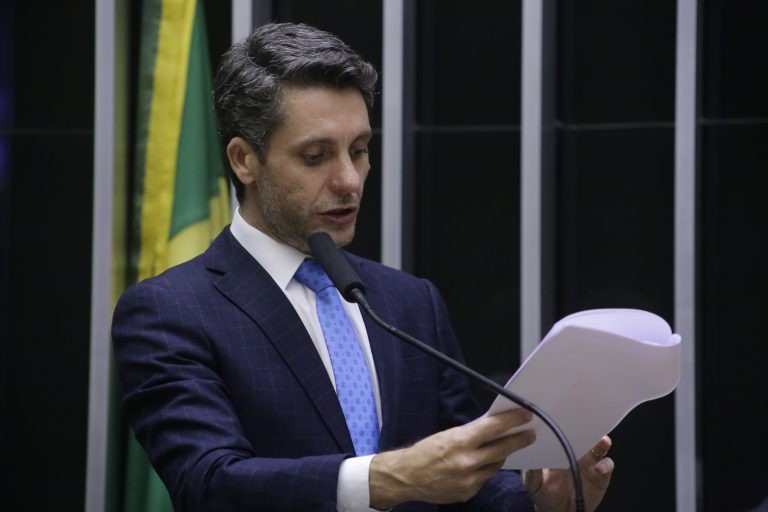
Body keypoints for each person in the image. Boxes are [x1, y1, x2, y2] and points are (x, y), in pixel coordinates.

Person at [112, 22, 614, 512]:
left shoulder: (409, 302)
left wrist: (537, 502)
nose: (350, 180)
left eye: (359, 150)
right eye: (316, 156)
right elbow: (208, 483)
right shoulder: (171, 310)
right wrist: (385, 478)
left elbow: (463, 482)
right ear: (244, 159)